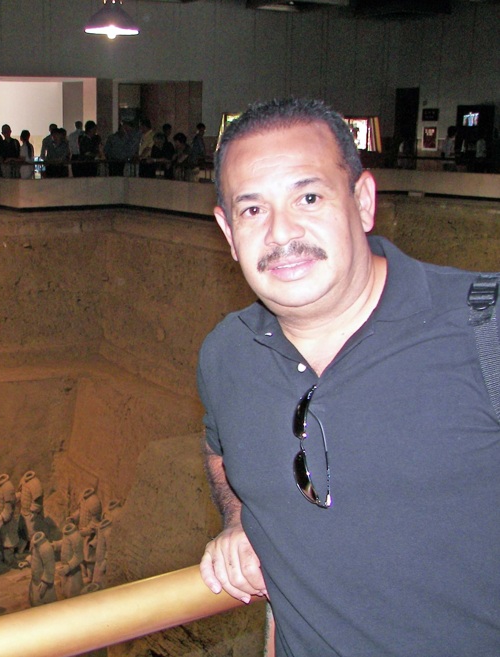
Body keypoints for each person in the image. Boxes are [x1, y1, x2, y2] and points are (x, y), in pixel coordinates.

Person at [196, 97, 499, 657]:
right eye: (253, 210)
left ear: (362, 201)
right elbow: (221, 451)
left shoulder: (485, 330)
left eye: (308, 198)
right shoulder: (226, 354)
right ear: (228, 231)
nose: (281, 233)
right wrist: (241, 520)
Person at [0, 473, 21, 565]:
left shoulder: (8, 487)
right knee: (1, 539)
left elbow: (9, 508)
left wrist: (2, 517)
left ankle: (9, 561)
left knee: (8, 542)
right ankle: (3, 560)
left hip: (8, 520)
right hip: (1, 517)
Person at [28, 531, 57, 606]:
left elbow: (50, 567)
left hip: (43, 584)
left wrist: (45, 582)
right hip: (36, 581)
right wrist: (27, 561)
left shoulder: (45, 548)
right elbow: (34, 557)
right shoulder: (35, 545)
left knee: (47, 604)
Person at [18, 470, 44, 551]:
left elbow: (38, 502)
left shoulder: (35, 483)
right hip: (23, 511)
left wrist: (32, 512)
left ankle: (34, 550)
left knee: (32, 533)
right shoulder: (23, 480)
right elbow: (21, 493)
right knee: (23, 531)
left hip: (32, 514)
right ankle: (24, 548)